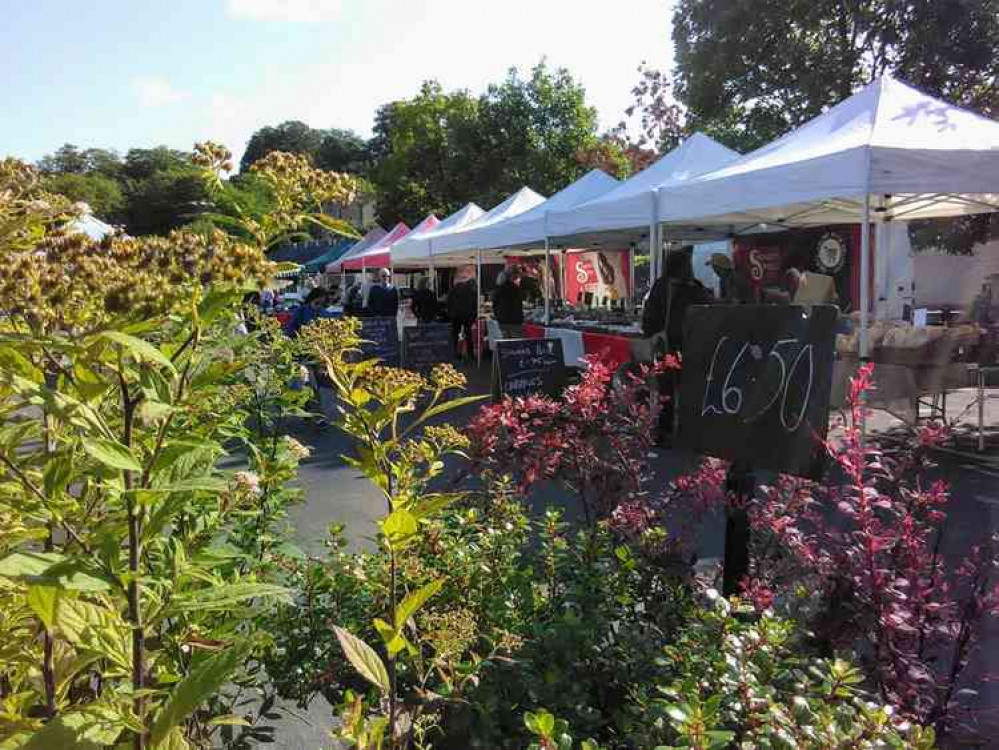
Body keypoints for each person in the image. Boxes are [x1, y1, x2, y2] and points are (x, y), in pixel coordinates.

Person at [642, 248, 711, 445]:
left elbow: (649, 316)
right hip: (690, 345)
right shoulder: (694, 288)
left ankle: (664, 432)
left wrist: (652, 334)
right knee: (688, 389)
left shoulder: (662, 286)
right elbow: (709, 311)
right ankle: (687, 431)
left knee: (666, 390)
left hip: (667, 345)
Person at [447, 275, 478, 360]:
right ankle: (470, 354)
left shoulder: (455, 288)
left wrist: (450, 312)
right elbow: (475, 304)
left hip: (456, 315)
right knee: (468, 335)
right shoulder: (472, 291)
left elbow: (449, 300)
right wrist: (474, 316)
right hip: (467, 315)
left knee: (455, 335)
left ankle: (454, 353)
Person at [492, 265, 525, 337]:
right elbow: (518, 305)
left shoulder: (499, 288)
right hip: (514, 321)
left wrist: (497, 316)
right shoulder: (515, 288)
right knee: (516, 343)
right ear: (513, 275)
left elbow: (494, 304)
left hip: (502, 320)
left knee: (505, 343)